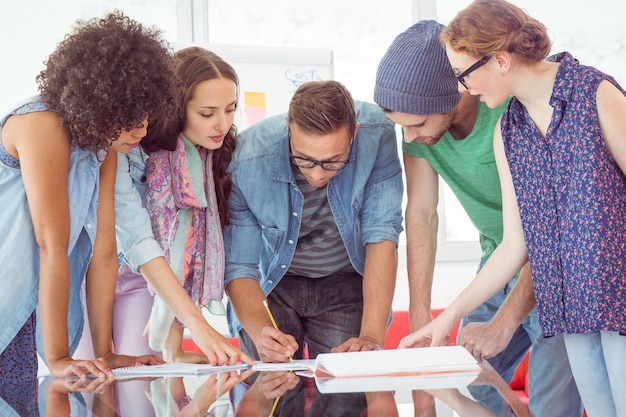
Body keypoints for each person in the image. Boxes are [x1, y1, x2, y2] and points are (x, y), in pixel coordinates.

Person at [400, 1, 626, 416]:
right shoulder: (509, 131)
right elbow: (513, 247)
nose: (462, 89)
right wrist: (447, 318)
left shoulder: (594, 92)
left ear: (500, 60)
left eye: (462, 75)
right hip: (571, 309)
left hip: (619, 297)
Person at [374, 20, 581, 416]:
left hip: (555, 268)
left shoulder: (511, 111)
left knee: (550, 403)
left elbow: (550, 234)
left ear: (455, 89)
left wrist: (504, 324)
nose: (411, 138)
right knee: (471, 380)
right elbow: (420, 213)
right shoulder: (417, 129)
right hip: (497, 260)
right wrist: (423, 313)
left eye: (417, 124)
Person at [0, 11, 176, 416]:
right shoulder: (40, 122)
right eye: (132, 115)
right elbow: (52, 244)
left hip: (23, 315)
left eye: (148, 114)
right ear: (101, 100)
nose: (143, 128)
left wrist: (104, 355)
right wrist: (61, 357)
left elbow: (104, 253)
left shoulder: (103, 147)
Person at [224, 80, 403, 411]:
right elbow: (241, 265)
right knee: (277, 388)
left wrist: (371, 339)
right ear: (289, 129)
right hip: (271, 288)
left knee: (346, 393)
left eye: (334, 161)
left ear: (354, 133)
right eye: (304, 160)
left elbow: (382, 233)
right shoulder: (246, 157)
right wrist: (260, 332)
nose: (318, 175)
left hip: (346, 284)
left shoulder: (378, 134)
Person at [113, 49, 254, 367]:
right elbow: (142, 240)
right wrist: (197, 326)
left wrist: (175, 349)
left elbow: (183, 257)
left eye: (230, 109)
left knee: (139, 399)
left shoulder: (210, 156)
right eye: (207, 113)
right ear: (177, 107)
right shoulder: (132, 147)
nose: (222, 124)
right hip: (98, 274)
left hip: (144, 287)